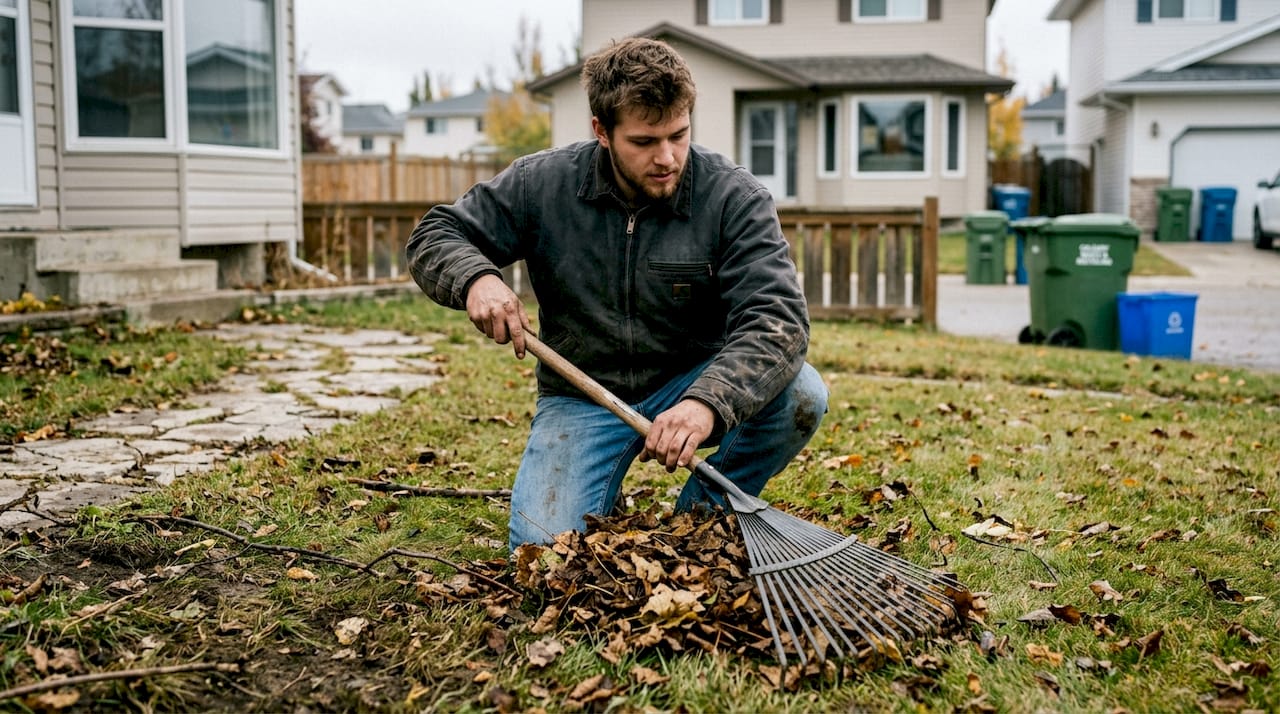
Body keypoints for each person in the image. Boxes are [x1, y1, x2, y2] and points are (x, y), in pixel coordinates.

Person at [406, 37, 828, 550]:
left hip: (690, 380)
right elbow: (436, 233)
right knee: (544, 549)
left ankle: (703, 517)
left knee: (802, 393)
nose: (667, 157)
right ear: (601, 132)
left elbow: (777, 321)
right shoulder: (544, 184)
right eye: (645, 142)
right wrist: (475, 277)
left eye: (679, 134)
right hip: (584, 394)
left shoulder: (732, 198)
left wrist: (705, 403)